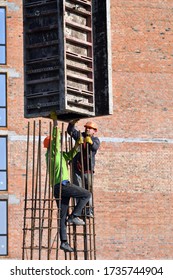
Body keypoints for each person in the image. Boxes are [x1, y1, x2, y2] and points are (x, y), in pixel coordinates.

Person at [44, 116, 91, 253]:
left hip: (58, 188)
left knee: (62, 216)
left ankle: (64, 242)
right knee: (86, 194)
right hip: (62, 186)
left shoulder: (61, 155)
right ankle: (74, 215)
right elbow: (56, 140)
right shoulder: (52, 154)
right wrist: (55, 123)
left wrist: (78, 144)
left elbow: (70, 155)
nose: (57, 145)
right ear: (51, 146)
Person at [67, 120, 100, 217]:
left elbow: (95, 147)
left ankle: (88, 210)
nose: (87, 129)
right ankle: (80, 209)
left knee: (88, 191)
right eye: (86, 128)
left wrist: (91, 143)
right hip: (77, 168)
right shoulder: (80, 136)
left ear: (94, 131)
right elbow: (70, 131)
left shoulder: (95, 140)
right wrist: (71, 123)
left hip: (88, 170)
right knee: (78, 190)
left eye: (90, 128)